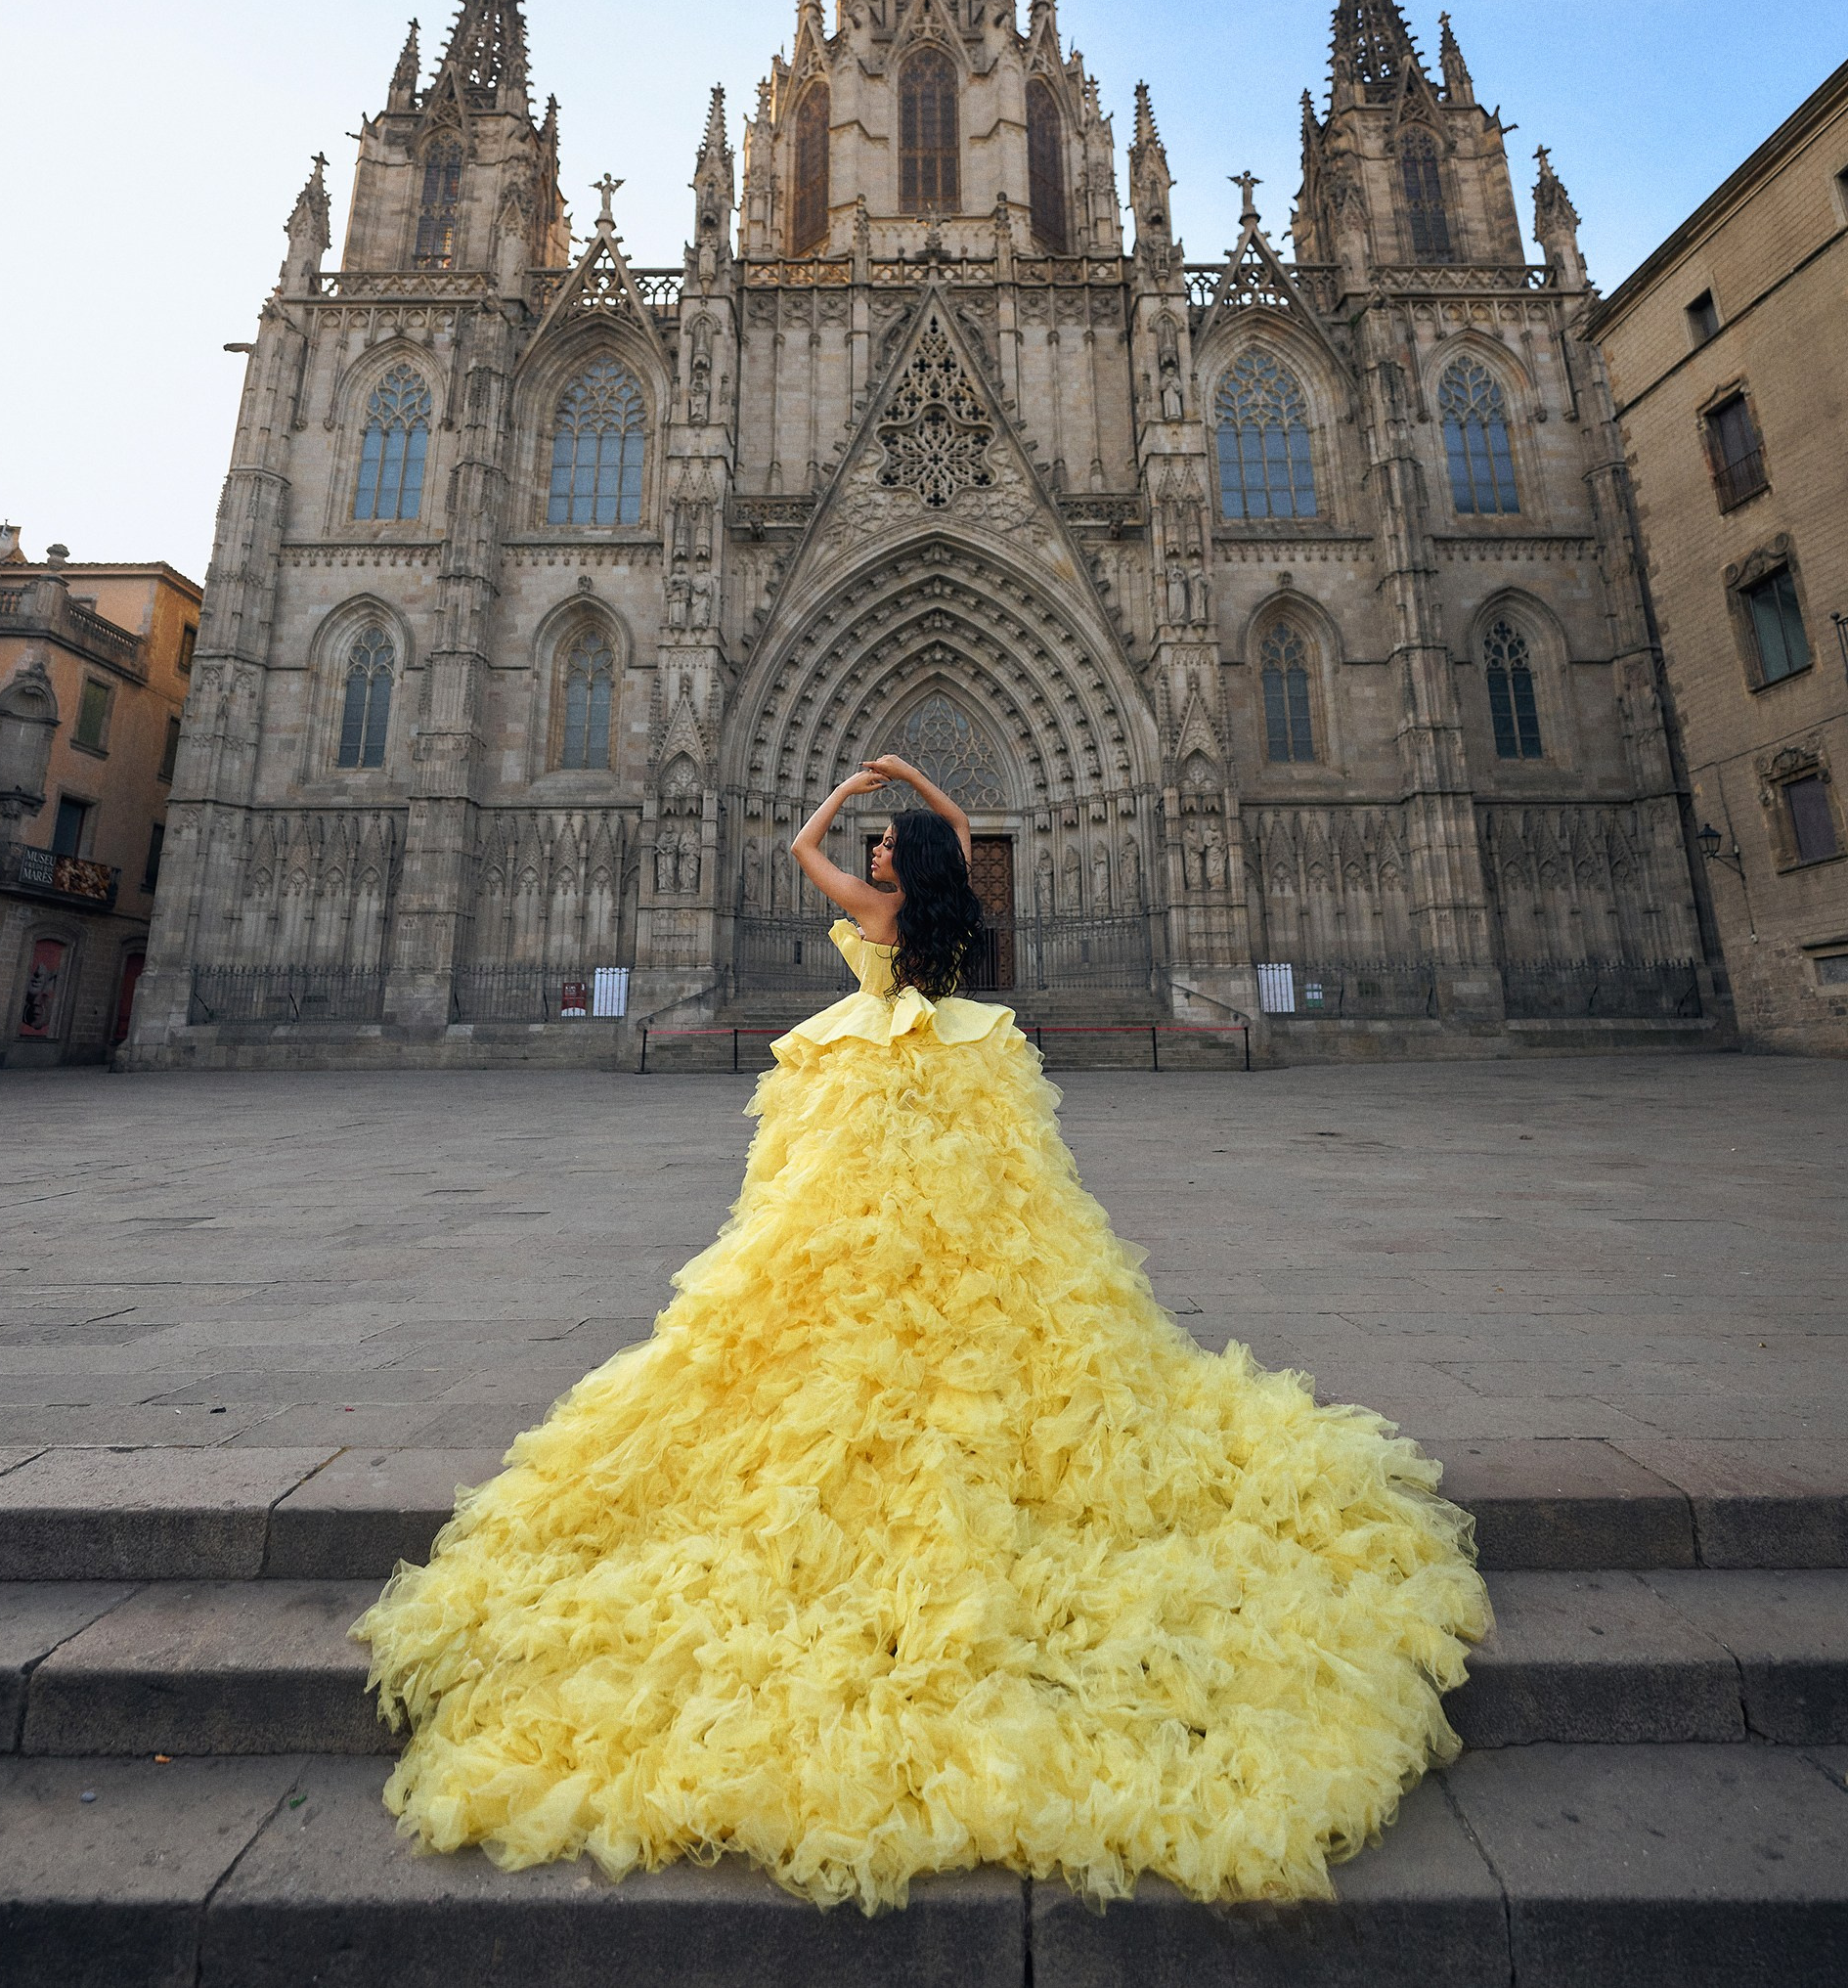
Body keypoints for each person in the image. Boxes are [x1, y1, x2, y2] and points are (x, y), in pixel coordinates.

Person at [355, 751, 1488, 1913]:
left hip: (868, 1098)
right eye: (879, 842)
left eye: (887, 843)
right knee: (980, 1267)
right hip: (955, 1093)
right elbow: (954, 832)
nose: (874, 855)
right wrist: (923, 793)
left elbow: (798, 854)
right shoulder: (959, 909)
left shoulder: (877, 906)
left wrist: (846, 797)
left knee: (831, 1269)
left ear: (901, 867)